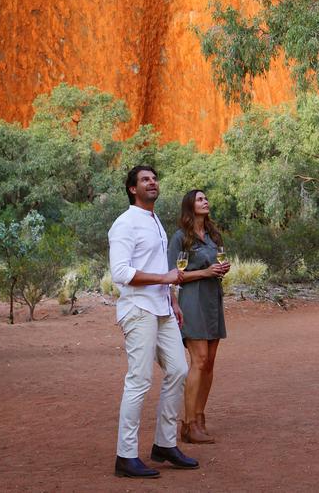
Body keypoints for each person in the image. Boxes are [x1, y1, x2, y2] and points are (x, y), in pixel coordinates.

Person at [108, 165, 200, 478]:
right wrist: (165, 278)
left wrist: (172, 298)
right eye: (145, 180)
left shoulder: (155, 220)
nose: (152, 183)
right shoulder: (125, 224)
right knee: (139, 379)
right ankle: (126, 455)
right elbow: (120, 273)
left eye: (155, 178)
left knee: (178, 369)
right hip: (138, 309)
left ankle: (163, 445)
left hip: (162, 308)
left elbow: (160, 264)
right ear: (132, 188)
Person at [167, 189, 230, 445]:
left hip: (213, 298)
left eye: (206, 199)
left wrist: (221, 269)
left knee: (210, 362)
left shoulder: (213, 235)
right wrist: (205, 272)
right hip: (192, 300)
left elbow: (215, 265)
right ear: (190, 206)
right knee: (199, 360)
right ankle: (188, 424)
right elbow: (172, 274)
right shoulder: (181, 237)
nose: (205, 202)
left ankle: (200, 418)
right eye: (200, 199)